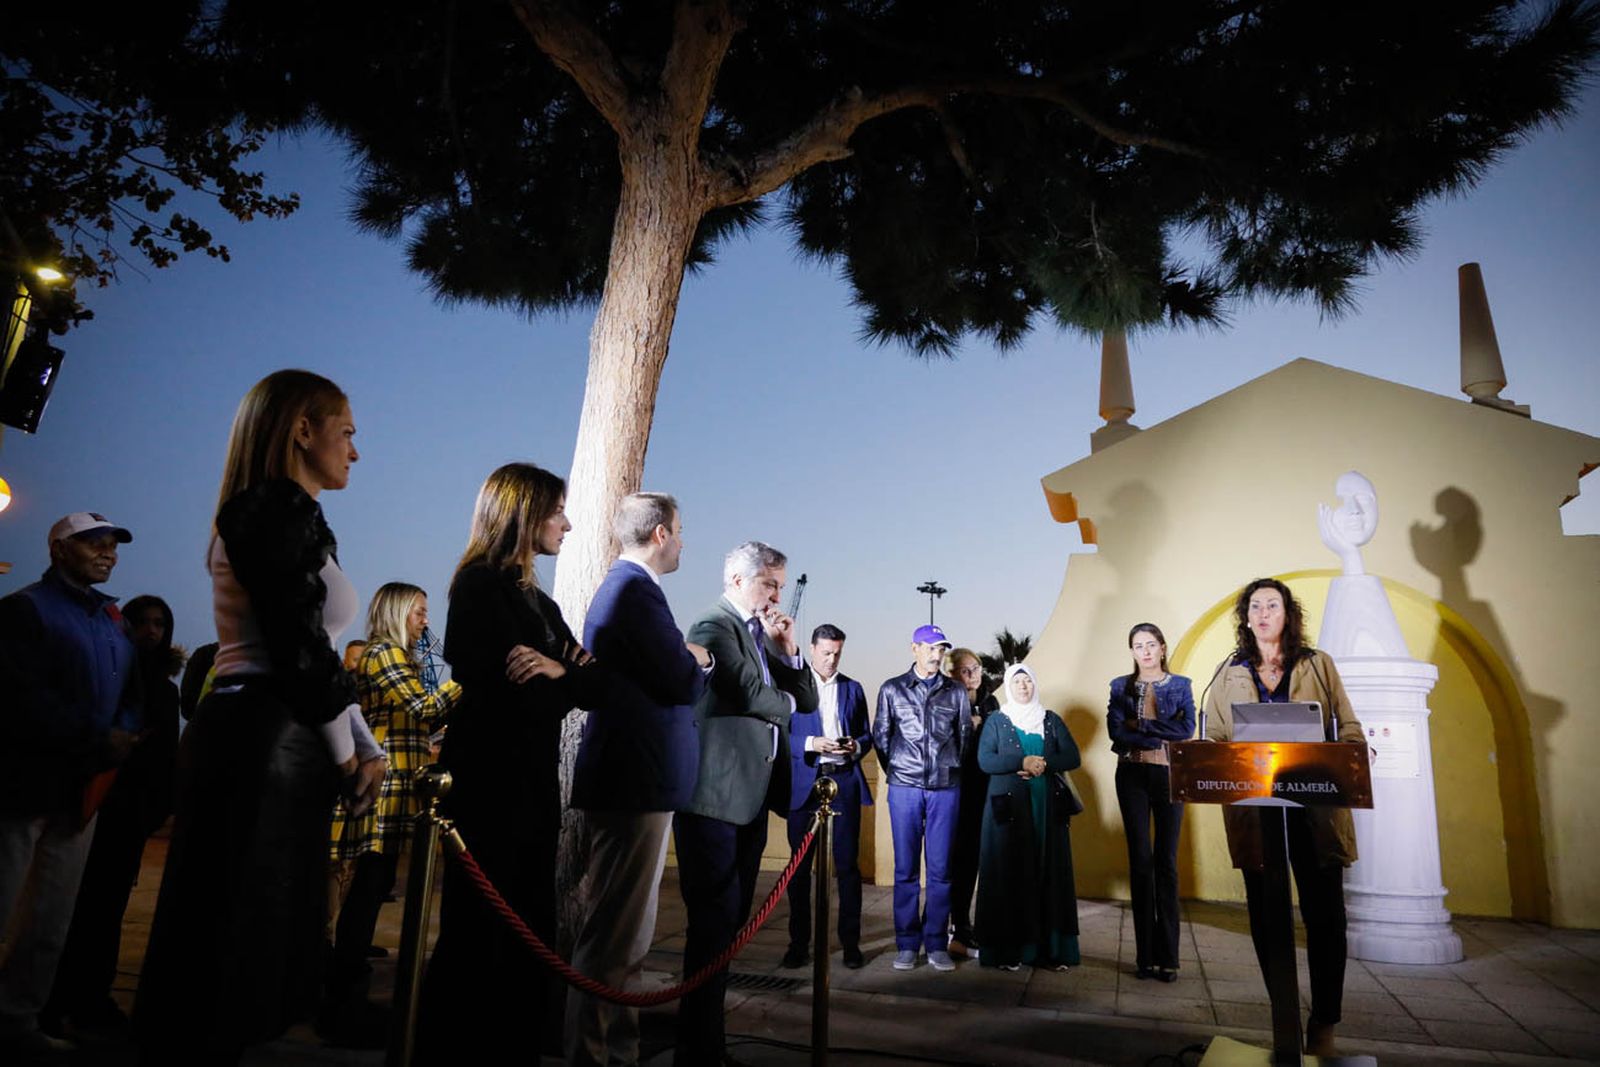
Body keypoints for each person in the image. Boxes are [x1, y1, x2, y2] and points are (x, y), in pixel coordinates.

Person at [135, 370, 386, 1062]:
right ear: (302, 430)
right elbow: (296, 645)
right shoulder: (274, 510)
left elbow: (319, 649)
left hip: (266, 732)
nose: (355, 452)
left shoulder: (280, 513)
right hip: (266, 738)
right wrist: (348, 755)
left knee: (240, 939)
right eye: (347, 433)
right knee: (236, 941)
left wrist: (363, 742)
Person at [416, 462, 606, 1063]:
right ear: (523, 514)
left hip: (532, 790)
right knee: (478, 935)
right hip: (489, 788)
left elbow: (597, 683)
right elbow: (508, 689)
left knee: (526, 930)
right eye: (556, 512)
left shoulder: (541, 606)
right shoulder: (476, 587)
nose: (568, 524)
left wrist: (556, 669)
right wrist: (565, 677)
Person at [565, 492, 710, 1067]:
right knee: (614, 938)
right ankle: (594, 1055)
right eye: (679, 530)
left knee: (628, 938)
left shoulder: (632, 592)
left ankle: (615, 1051)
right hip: (633, 782)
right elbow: (679, 679)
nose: (682, 541)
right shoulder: (634, 592)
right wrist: (700, 660)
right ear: (659, 535)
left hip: (637, 781)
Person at [1202, 578, 1364, 1058]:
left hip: (1313, 807)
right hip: (1257, 812)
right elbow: (1212, 736)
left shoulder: (1318, 664)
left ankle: (1325, 1020)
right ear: (1246, 617)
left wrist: (1353, 753)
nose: (1264, 613)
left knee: (1326, 917)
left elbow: (1349, 726)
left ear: (1289, 614)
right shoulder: (1228, 671)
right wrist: (1209, 758)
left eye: (1274, 605)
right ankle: (1284, 1014)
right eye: (1256, 606)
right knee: (1266, 918)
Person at [0, 512, 140, 1060]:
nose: (108, 553)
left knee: (49, 919)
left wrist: (124, 732)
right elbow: (19, 696)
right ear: (59, 550)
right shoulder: (24, 609)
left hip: (81, 790)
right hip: (24, 784)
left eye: (113, 545)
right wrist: (94, 737)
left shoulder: (112, 620)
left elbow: (129, 688)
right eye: (94, 544)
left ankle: (16, 1020)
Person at [673, 541, 816, 1066]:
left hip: (750, 801)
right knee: (711, 930)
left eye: (781, 584)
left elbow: (810, 698)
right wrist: (779, 698)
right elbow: (756, 697)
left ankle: (707, 1043)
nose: (777, 594)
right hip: (714, 800)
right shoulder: (714, 626)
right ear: (737, 579)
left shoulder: (758, 634)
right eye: (769, 584)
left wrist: (788, 651)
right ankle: (697, 1050)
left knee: (727, 930)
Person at [322, 583, 461, 1040]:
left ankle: (345, 998)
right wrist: (468, 679)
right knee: (365, 894)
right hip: (385, 789)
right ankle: (343, 1005)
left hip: (400, 787)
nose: (425, 620)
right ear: (399, 612)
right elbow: (424, 708)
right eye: (419, 612)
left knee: (370, 891)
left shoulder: (397, 657)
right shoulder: (384, 653)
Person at [46, 595, 181, 1038]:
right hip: (89, 808)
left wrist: (151, 811)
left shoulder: (164, 689)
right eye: (142, 622)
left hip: (128, 816)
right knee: (70, 906)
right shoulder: (107, 679)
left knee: (106, 909)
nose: (151, 631)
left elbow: (162, 758)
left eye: (159, 624)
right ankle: (57, 999)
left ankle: (89, 997)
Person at [872, 624, 972, 972]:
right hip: (904, 788)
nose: (936, 654)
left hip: (946, 789)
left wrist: (948, 771)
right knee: (905, 870)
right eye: (930, 647)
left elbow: (964, 737)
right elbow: (881, 737)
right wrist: (900, 772)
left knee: (942, 870)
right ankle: (906, 943)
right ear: (914, 648)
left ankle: (935, 943)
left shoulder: (956, 692)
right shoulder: (892, 689)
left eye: (941, 648)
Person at [975, 664, 1082, 971]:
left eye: (1028, 681)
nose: (1023, 686)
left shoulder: (1050, 720)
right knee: (1010, 873)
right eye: (1017, 681)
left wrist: (1042, 764)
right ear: (1009, 686)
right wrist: (1021, 760)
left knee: (1047, 871)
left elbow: (1072, 756)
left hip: (1046, 809)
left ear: (1035, 684)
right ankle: (1008, 950)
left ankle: (1050, 951)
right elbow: (985, 760)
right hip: (1008, 812)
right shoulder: (997, 720)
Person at [1106, 623, 1195, 982]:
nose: (1144, 651)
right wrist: (1158, 729)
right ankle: (1144, 957)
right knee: (1140, 861)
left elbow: (1186, 729)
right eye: (1137, 646)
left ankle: (1169, 958)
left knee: (1166, 864)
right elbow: (1116, 731)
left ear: (1162, 648)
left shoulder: (1181, 685)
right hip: (1130, 776)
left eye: (1150, 645)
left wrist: (1141, 727)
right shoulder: (1120, 686)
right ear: (1132, 651)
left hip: (1170, 777)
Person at [781, 623, 873, 971]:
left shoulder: (853, 688)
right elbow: (779, 735)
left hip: (844, 782)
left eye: (837, 653)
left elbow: (866, 734)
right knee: (799, 870)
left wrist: (856, 745)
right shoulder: (792, 686)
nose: (831, 660)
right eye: (825, 653)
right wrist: (811, 744)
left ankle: (850, 945)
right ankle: (798, 944)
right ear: (812, 648)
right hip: (805, 783)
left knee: (848, 868)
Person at [945, 646, 996, 954]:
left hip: (981, 791)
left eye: (976, 669)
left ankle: (963, 924)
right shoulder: (944, 700)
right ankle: (940, 922)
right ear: (952, 675)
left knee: (970, 861)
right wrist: (968, 728)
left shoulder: (991, 702)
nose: (973, 676)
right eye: (965, 671)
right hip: (950, 790)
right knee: (946, 861)